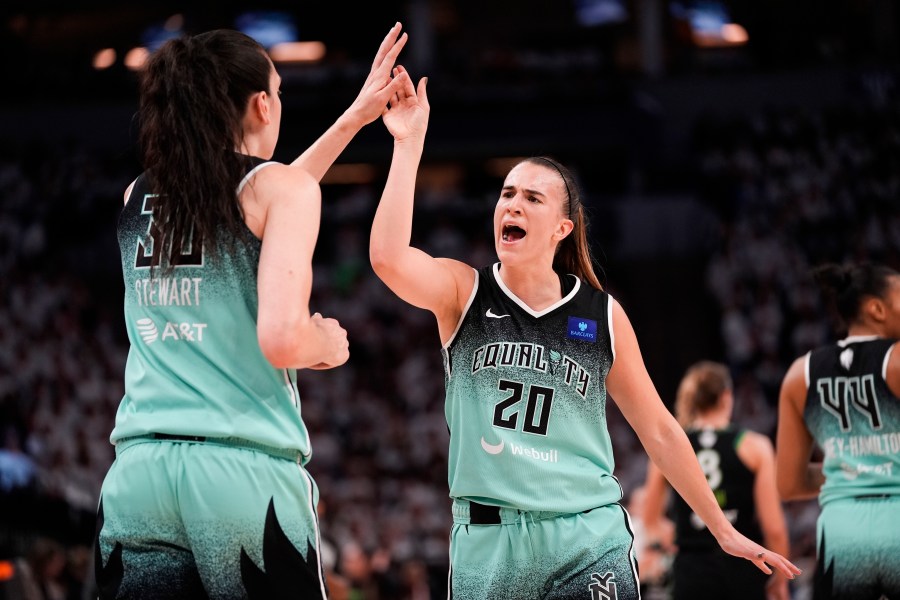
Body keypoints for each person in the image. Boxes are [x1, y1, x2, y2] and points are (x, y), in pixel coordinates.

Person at [368, 67, 801, 599]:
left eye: (532, 197)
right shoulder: (464, 291)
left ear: (561, 229)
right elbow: (388, 259)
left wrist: (722, 529)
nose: (513, 204)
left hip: (586, 534)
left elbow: (661, 431)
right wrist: (408, 144)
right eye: (507, 193)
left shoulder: (602, 315)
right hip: (490, 541)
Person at [93, 24, 413, 599]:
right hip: (240, 481)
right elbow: (283, 338)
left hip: (138, 478)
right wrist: (326, 341)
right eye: (280, 92)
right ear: (262, 104)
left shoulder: (138, 193)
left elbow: (261, 199)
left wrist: (353, 120)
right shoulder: (278, 192)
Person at [776, 262, 900, 600]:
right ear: (877, 308)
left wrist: (851, 468)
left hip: (841, 532)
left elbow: (788, 483)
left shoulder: (800, 373)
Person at [642, 361, 790, 600]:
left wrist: (685, 534)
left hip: (692, 570)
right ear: (726, 396)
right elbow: (774, 528)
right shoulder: (754, 446)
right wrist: (780, 580)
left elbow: (651, 521)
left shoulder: (671, 447)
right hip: (743, 568)